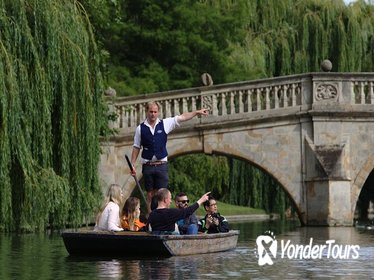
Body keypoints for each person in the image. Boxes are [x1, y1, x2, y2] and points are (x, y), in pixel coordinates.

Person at [130, 101, 209, 214]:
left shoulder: (165, 123)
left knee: (162, 193)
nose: (153, 114)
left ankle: (163, 217)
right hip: (148, 165)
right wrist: (132, 164)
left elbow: (182, 117)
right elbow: (136, 147)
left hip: (161, 165)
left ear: (158, 112)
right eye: (151, 111)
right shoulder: (140, 129)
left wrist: (196, 112)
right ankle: (150, 217)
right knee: (150, 194)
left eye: (155, 112)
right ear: (147, 112)